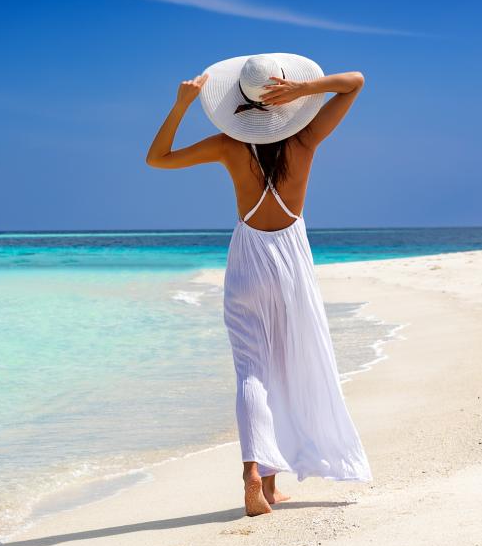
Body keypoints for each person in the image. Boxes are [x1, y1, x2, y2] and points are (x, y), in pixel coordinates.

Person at [145, 53, 372, 516]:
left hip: (248, 260)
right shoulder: (306, 140)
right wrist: (305, 91)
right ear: (284, 100)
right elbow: (354, 82)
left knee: (253, 370)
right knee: (286, 368)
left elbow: (157, 159)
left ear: (238, 104)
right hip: (290, 264)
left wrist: (182, 104)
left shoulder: (228, 146)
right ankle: (269, 485)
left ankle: (257, 475)